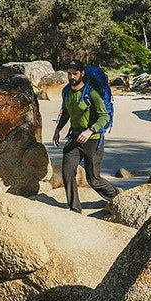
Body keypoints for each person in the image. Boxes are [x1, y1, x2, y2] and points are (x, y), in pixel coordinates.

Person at [51, 60, 119, 212]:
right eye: (69, 73)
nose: (71, 77)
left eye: (75, 73)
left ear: (82, 74)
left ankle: (117, 197)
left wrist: (90, 130)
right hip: (75, 138)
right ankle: (74, 208)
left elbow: (104, 117)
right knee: (68, 172)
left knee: (93, 180)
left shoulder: (92, 93)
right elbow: (66, 112)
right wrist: (58, 129)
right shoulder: (67, 91)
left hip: (93, 140)